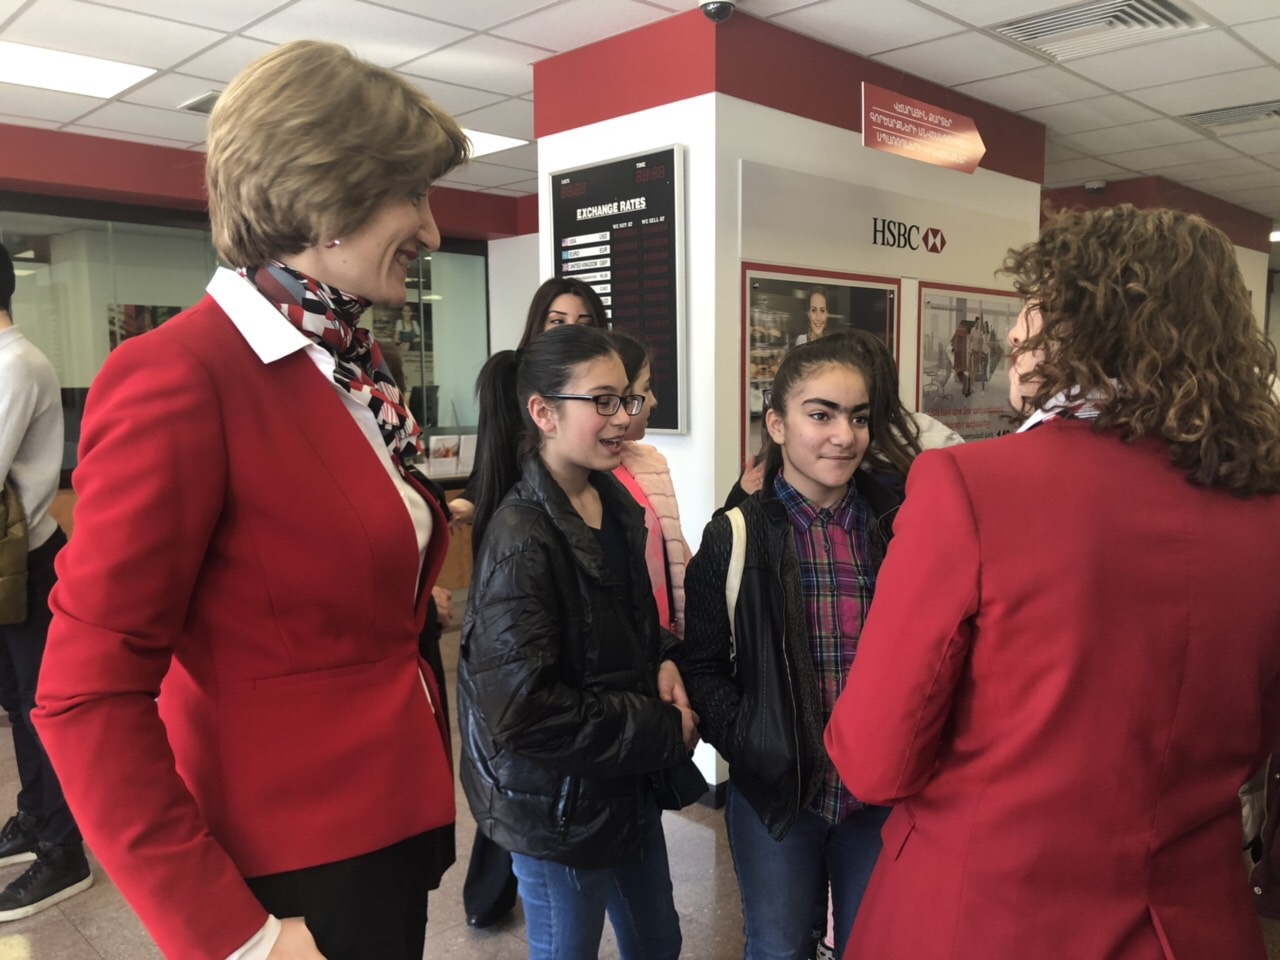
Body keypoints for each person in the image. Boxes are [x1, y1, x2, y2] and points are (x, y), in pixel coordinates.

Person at [33, 41, 469, 960]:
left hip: (389, 828)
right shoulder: (179, 375)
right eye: (414, 194)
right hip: (286, 877)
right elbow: (86, 694)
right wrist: (235, 937)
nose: (433, 231)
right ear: (329, 198)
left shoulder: (355, 370)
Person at [826, 205, 1280, 960]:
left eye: (1036, 308)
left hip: (986, 916)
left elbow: (875, 759)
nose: (1013, 335)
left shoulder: (968, 487)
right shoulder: (1266, 511)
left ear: (1086, 327)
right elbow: (1256, 733)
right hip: (1190, 923)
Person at [457, 325, 696, 960]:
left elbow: (626, 627)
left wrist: (664, 660)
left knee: (658, 942)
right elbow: (523, 712)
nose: (623, 417)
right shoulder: (522, 536)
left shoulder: (611, 501)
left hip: (621, 782)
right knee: (568, 948)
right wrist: (660, 727)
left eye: (628, 399)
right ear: (543, 413)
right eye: (603, 401)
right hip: (557, 807)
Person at [678, 336, 905, 960]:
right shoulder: (735, 535)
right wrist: (754, 741)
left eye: (858, 417)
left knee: (873, 944)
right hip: (779, 798)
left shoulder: (897, 525)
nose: (844, 436)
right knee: (779, 946)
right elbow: (703, 665)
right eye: (821, 415)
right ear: (776, 425)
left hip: (877, 795)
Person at [448, 275, 609, 930]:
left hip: (574, 558)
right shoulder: (507, 379)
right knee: (514, 731)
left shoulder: (599, 397)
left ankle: (501, 885)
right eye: (556, 319)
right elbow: (492, 467)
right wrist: (476, 513)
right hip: (517, 554)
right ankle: (490, 891)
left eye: (583, 320)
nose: (568, 329)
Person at [0, 241, 92, 920]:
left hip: (26, 563)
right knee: (15, 702)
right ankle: (35, 816)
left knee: (42, 709)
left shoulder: (19, 365)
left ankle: (65, 851)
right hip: (6, 566)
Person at [609, 331, 692, 639]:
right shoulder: (587, 482)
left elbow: (677, 557)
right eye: (645, 388)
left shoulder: (649, 465)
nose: (653, 401)